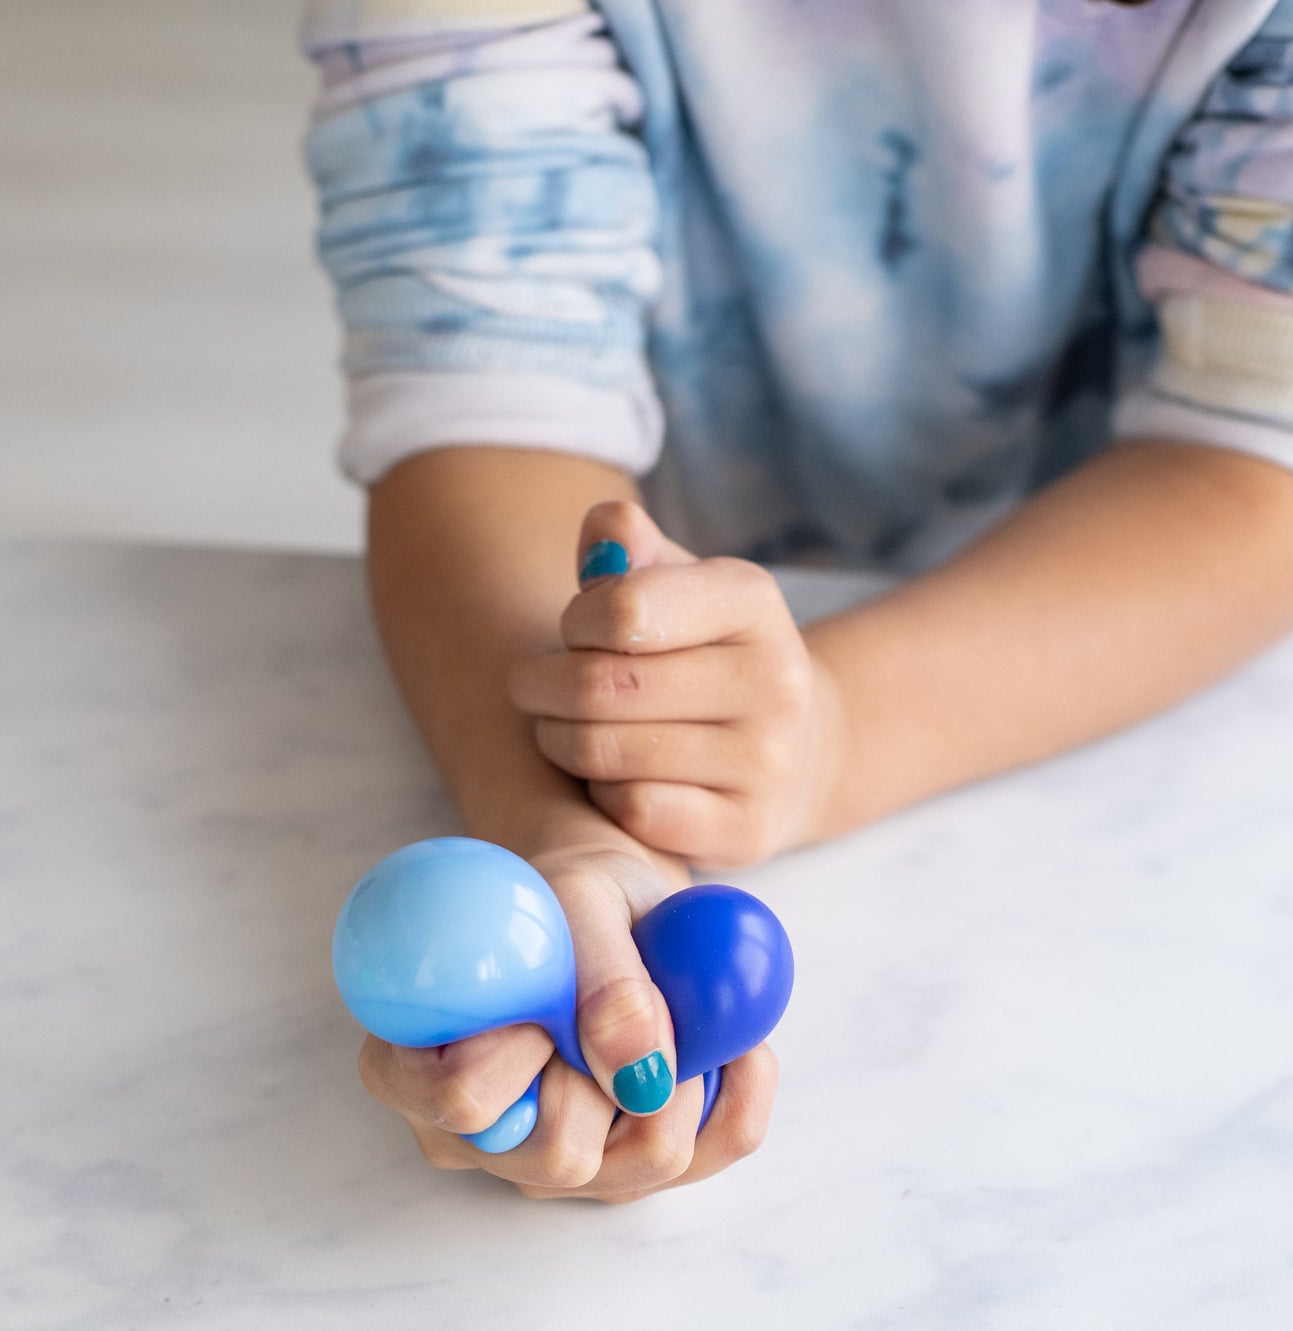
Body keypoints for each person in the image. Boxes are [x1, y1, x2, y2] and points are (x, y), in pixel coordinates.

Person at [302, 0, 1293, 1202]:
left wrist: (836, 732)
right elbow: (480, 380)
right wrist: (572, 827)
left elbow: (1253, 446)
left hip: (1100, 628)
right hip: (642, 604)